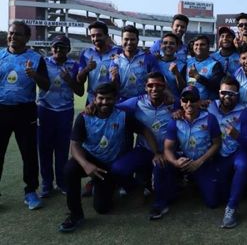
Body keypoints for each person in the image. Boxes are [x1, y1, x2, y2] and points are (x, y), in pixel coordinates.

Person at [59, 83, 162, 232]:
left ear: (115, 99)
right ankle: (75, 215)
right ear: (94, 98)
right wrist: (86, 164)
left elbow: (145, 130)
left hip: (108, 166)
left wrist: (157, 153)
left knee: (102, 208)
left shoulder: (122, 116)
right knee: (70, 169)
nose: (105, 102)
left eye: (109, 99)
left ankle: (111, 185)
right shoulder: (84, 117)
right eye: (101, 98)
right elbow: (75, 145)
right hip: (89, 159)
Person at [0, 21, 49, 210]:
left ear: (27, 38)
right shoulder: (0, 55)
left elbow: (45, 85)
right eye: (11, 33)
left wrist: (34, 75)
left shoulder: (36, 59)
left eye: (17, 34)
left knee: (28, 153)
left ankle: (30, 192)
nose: (12, 37)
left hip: (25, 110)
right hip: (1, 110)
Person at [113, 72, 176, 220]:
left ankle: (160, 204)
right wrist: (91, 108)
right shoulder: (136, 102)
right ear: (145, 87)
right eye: (150, 85)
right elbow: (112, 107)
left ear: (164, 87)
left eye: (159, 85)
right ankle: (137, 188)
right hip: (144, 149)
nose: (154, 88)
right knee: (118, 169)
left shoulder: (173, 103)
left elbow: (191, 105)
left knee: (168, 185)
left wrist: (190, 106)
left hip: (168, 152)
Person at [207, 76, 247, 228]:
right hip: (218, 154)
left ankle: (231, 208)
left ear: (238, 94)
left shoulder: (246, 111)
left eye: (232, 94)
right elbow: (186, 105)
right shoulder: (211, 106)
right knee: (216, 199)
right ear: (218, 93)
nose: (227, 96)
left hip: (237, 152)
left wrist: (237, 135)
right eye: (224, 93)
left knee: (242, 165)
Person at [37, 35, 84, 197]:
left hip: (65, 111)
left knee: (62, 148)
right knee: (44, 148)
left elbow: (79, 91)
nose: (58, 50)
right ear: (51, 49)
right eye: (55, 47)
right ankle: (47, 183)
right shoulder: (43, 62)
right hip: (45, 110)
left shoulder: (74, 65)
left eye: (62, 47)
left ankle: (62, 182)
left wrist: (69, 79)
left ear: (68, 49)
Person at [162, 86, 223, 210]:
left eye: (193, 100)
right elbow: (167, 148)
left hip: (203, 162)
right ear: (181, 102)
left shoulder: (210, 119)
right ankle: (177, 184)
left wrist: (199, 162)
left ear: (199, 102)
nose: (189, 104)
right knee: (162, 170)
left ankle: (195, 182)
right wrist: (175, 162)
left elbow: (217, 143)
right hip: (183, 161)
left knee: (213, 202)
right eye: (185, 100)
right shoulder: (175, 121)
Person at [77, 20, 122, 104]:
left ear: (106, 36)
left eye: (99, 35)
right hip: (92, 100)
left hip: (112, 100)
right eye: (92, 36)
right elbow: (79, 80)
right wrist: (87, 69)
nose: (95, 38)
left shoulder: (118, 51)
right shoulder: (86, 53)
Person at [110, 25, 159, 101]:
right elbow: (113, 88)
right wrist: (113, 78)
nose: (129, 42)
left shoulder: (148, 58)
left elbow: (156, 81)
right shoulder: (116, 60)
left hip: (143, 102)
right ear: (122, 40)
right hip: (122, 102)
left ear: (137, 40)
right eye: (126, 39)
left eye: (132, 39)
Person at [186, 35, 223, 100]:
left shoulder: (215, 64)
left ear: (208, 47)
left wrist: (198, 77)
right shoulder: (188, 62)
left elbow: (217, 86)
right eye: (196, 45)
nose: (199, 47)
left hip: (208, 105)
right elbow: (189, 83)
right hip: (190, 103)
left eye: (202, 44)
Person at [157, 32, 186, 99]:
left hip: (174, 103)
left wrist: (177, 74)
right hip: (156, 103)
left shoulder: (182, 65)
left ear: (177, 47)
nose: (168, 45)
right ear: (161, 45)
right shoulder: (154, 62)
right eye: (165, 43)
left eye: (172, 43)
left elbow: (183, 90)